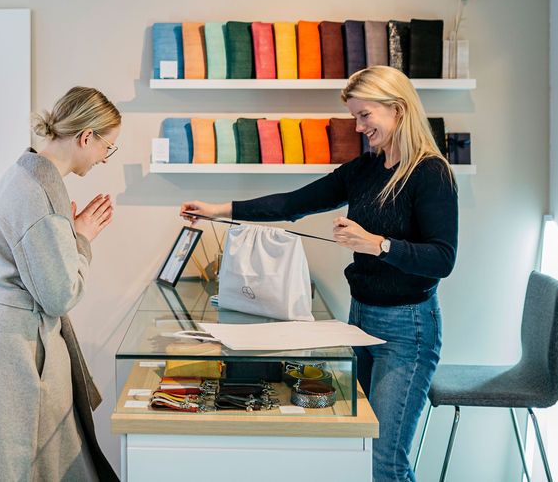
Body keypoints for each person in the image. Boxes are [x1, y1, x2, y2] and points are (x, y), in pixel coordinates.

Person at [181, 65, 457, 482]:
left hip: (409, 330)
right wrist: (220, 210)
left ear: (398, 109)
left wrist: (378, 244)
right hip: (361, 318)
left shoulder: (431, 173)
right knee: (358, 450)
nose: (359, 126)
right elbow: (293, 203)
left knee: (385, 461)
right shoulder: (365, 170)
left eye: (365, 115)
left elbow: (442, 258)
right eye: (355, 117)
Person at [0, 86, 121, 481]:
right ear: (86, 137)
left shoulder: (26, 176)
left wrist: (70, 234)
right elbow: (59, 293)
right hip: (13, 349)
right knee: (15, 464)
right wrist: (81, 239)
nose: (104, 157)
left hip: (2, 337)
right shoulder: (38, 194)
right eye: (107, 147)